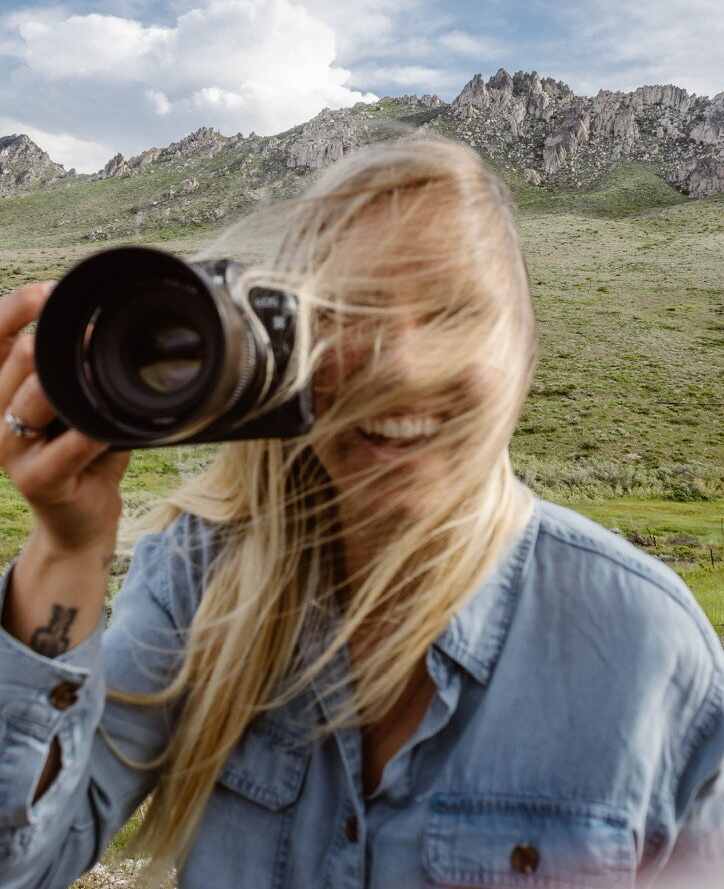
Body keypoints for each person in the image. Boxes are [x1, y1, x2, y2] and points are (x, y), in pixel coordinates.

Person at [0, 138, 721, 889]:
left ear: (526, 356)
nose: (402, 369)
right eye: (348, 313)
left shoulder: (648, 652)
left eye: (451, 314)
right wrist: (67, 542)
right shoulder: (204, 579)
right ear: (283, 360)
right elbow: (22, 860)